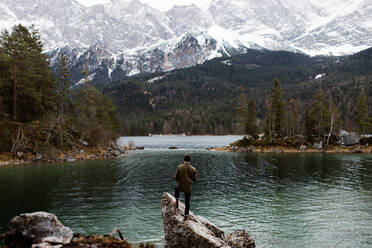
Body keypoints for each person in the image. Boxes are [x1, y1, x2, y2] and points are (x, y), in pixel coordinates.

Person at [174, 154, 197, 221]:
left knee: (176, 188)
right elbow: (195, 180)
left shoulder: (179, 167)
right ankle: (186, 216)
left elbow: (176, 178)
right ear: (190, 160)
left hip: (180, 186)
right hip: (188, 188)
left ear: (184, 159)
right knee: (187, 202)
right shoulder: (193, 169)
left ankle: (177, 200)